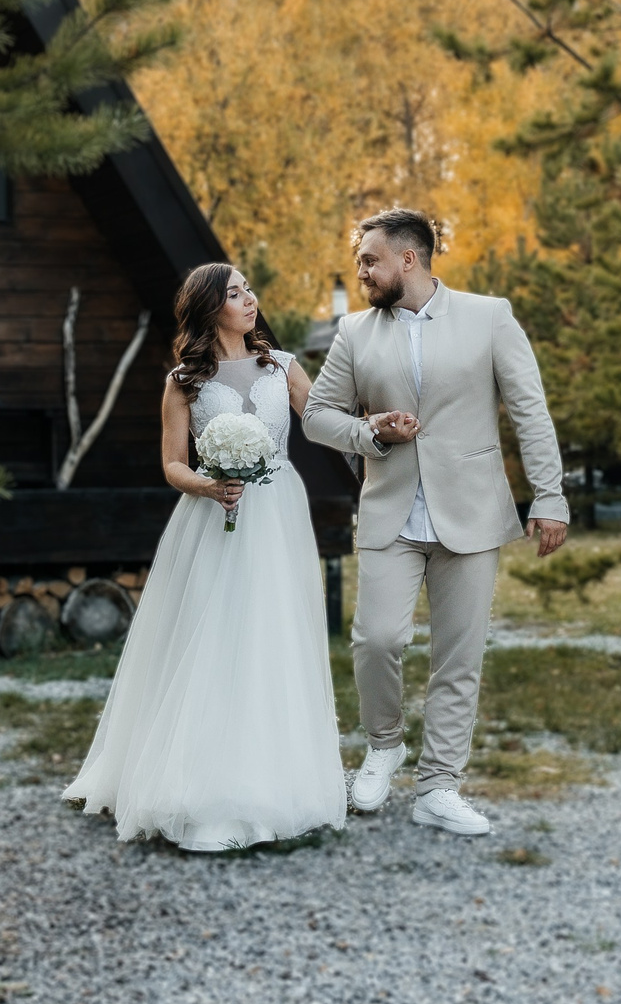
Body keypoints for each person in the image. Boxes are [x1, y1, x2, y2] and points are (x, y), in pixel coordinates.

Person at [60, 264, 347, 850]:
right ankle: (199, 783)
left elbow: (322, 423)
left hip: (277, 516)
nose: (250, 299)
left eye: (248, 290)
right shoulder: (184, 380)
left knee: (272, 636)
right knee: (211, 636)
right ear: (210, 306)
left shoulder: (283, 365)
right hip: (210, 516)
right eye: (236, 293)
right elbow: (172, 465)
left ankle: (276, 783)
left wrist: (373, 430)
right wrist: (210, 486)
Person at [303, 206, 570, 835]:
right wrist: (371, 430)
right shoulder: (354, 331)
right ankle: (384, 744)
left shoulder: (489, 316)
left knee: (459, 657)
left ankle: (439, 787)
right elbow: (317, 414)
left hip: (473, 513)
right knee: (377, 639)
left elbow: (530, 412)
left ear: (407, 258)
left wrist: (549, 497)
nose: (361, 271)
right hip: (391, 512)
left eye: (369, 259)